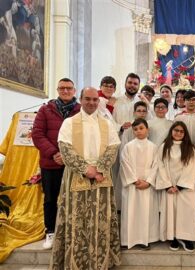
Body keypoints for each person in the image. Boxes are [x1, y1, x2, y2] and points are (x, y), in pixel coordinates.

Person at [49, 87, 121, 269]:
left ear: (99, 101)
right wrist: (84, 168)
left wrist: (99, 169)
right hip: (76, 175)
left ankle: (100, 262)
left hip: (101, 176)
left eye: (95, 100)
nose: (91, 103)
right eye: (87, 99)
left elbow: (113, 147)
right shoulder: (69, 123)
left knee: (101, 220)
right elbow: (64, 147)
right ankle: (76, 262)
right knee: (77, 221)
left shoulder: (107, 123)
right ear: (80, 99)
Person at [32, 78, 81, 249]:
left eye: (69, 88)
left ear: (74, 90)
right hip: (51, 162)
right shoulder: (45, 110)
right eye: (62, 88)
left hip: (74, 164)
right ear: (57, 90)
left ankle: (70, 232)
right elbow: (37, 134)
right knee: (51, 199)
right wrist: (54, 153)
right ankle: (51, 232)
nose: (66, 91)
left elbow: (84, 136)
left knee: (74, 198)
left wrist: (69, 155)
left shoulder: (80, 110)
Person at [156, 121, 195, 252]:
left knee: (186, 213)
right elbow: (160, 166)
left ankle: (187, 238)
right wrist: (168, 185)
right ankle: (173, 237)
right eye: (176, 130)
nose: (178, 133)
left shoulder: (190, 148)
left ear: (185, 134)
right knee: (171, 212)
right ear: (171, 132)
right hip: (169, 186)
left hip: (185, 188)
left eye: (181, 131)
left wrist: (179, 186)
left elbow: (191, 167)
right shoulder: (164, 147)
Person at [120, 118, 159, 249]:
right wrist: (134, 180)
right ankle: (128, 239)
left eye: (141, 128)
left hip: (147, 186)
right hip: (132, 186)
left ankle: (145, 239)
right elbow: (124, 164)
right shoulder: (128, 146)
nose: (138, 131)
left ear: (147, 129)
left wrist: (148, 182)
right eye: (135, 129)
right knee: (131, 212)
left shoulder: (153, 147)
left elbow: (156, 166)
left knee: (146, 213)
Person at [113, 101, 149, 211]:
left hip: (144, 167)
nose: (141, 113)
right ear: (134, 112)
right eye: (139, 111)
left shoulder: (147, 127)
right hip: (130, 166)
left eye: (144, 111)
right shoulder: (129, 128)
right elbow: (124, 148)